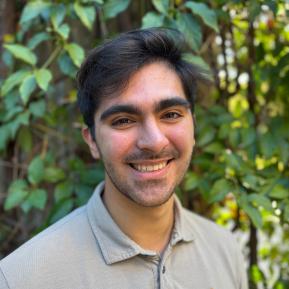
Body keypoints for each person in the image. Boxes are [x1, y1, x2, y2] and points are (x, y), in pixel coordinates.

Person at [0, 28, 248, 289]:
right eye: (123, 120)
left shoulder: (225, 251)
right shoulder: (21, 278)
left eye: (171, 114)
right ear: (92, 141)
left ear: (193, 126)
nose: (154, 141)